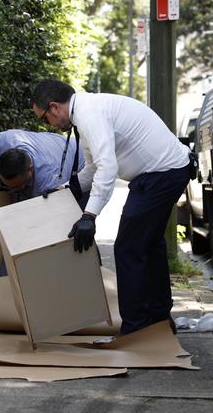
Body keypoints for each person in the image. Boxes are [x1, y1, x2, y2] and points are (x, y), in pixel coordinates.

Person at [31, 79, 194, 336]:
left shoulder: (88, 115)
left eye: (44, 119)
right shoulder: (86, 112)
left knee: (129, 247)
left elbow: (108, 168)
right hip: (162, 173)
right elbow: (94, 167)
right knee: (148, 244)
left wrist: (89, 216)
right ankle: (159, 319)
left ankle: (136, 329)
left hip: (162, 173)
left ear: (54, 107)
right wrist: (69, 188)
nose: (47, 124)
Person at [0, 129, 84, 200]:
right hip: (53, 145)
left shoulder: (48, 181)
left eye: (20, 185)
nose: (14, 190)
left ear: (31, 168)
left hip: (82, 162)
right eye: (10, 186)